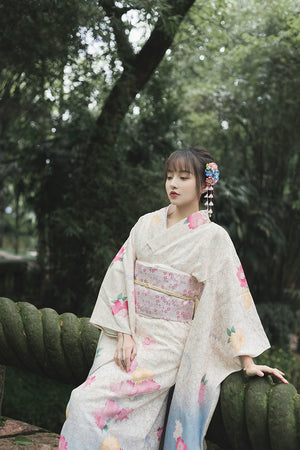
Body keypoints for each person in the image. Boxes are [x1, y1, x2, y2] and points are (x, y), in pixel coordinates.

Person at [59, 146, 287, 450]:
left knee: (93, 408)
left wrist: (247, 362)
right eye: (169, 177)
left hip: (168, 345)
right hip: (130, 333)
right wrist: (124, 331)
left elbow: (231, 296)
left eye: (183, 177)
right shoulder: (145, 224)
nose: (173, 184)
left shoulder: (213, 237)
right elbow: (120, 273)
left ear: (205, 184)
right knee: (82, 401)